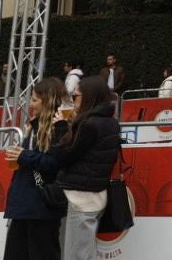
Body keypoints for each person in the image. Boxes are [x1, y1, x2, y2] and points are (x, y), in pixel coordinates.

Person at [53, 75, 121, 259]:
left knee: (76, 255)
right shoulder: (110, 122)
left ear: (89, 97)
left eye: (75, 96)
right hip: (96, 194)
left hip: (80, 196)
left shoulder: (89, 124)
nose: (73, 100)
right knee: (83, 252)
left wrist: (60, 127)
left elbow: (63, 156)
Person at [3, 77, 71, 260]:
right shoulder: (35, 125)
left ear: (47, 101)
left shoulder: (59, 127)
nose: (31, 105)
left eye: (34, 100)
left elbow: (55, 163)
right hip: (26, 203)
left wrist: (23, 156)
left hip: (41, 205)